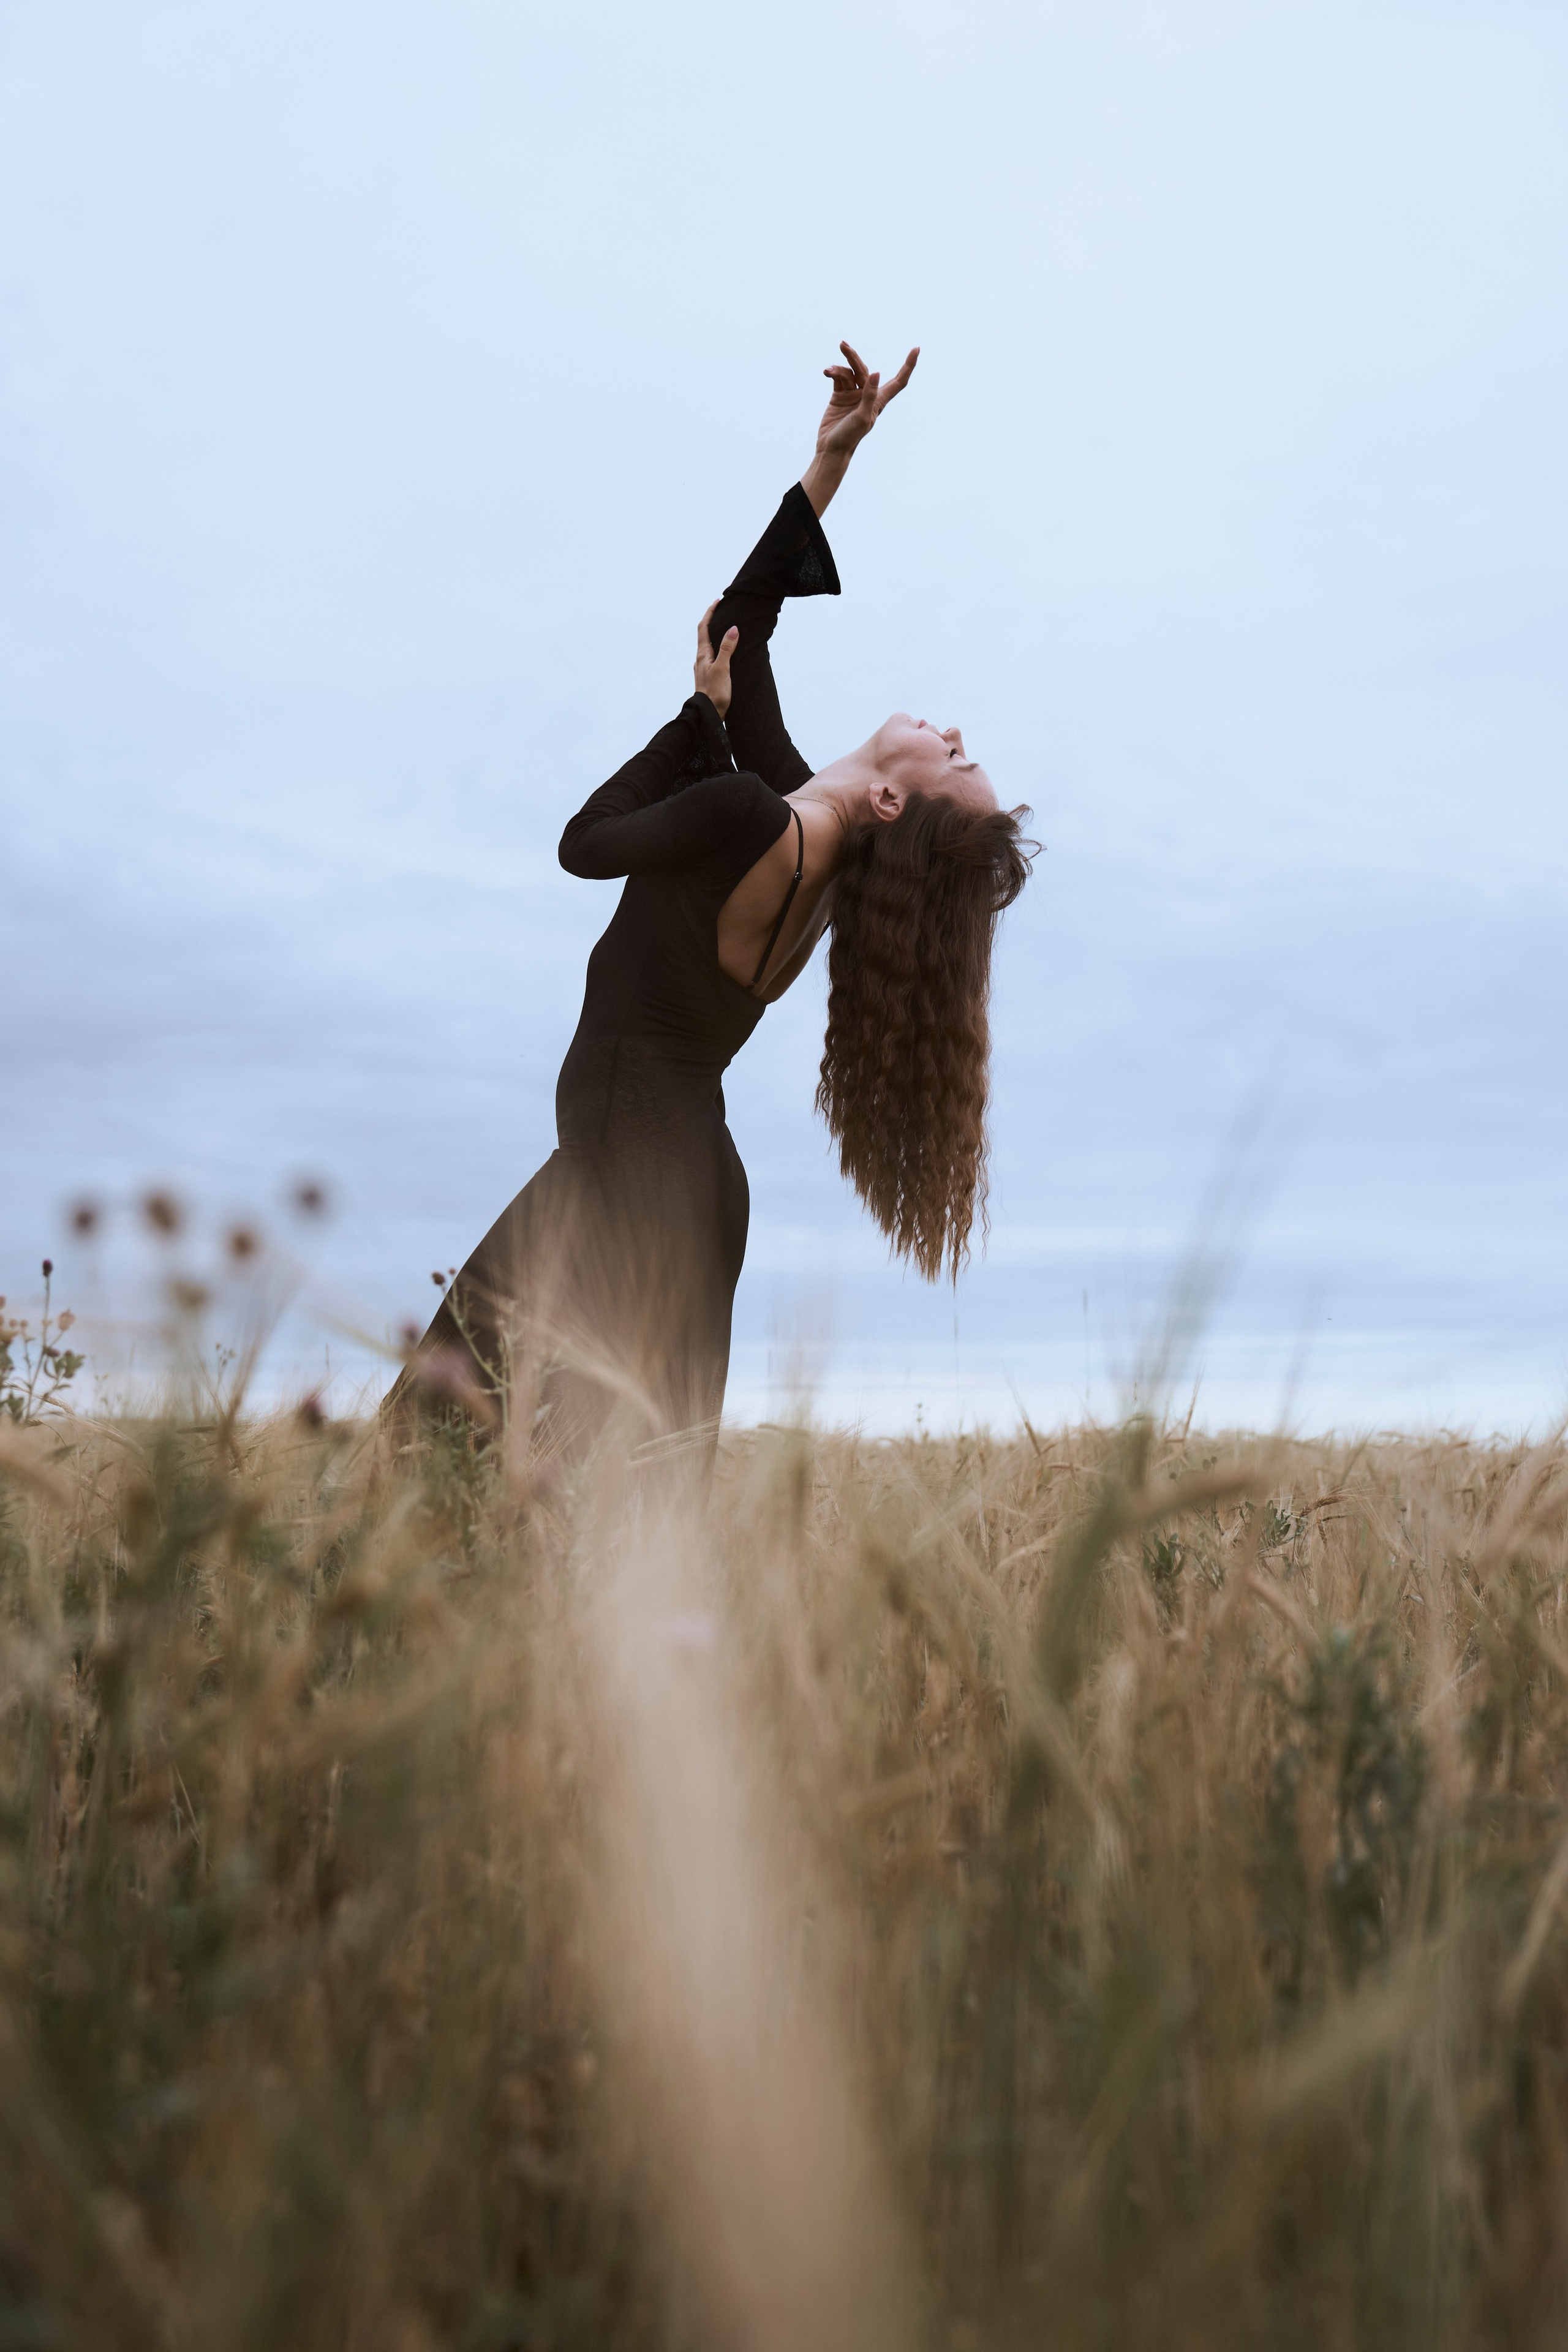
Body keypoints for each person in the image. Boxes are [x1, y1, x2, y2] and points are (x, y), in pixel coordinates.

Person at [389, 343, 1032, 1473]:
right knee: (561, 1462)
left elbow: (582, 845)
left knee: (468, 1452)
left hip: (642, 1156)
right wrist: (831, 464)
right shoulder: (814, 856)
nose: (955, 732)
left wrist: (695, 723)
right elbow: (745, 621)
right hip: (681, 1168)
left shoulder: (750, 812)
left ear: (891, 797)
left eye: (954, 758)